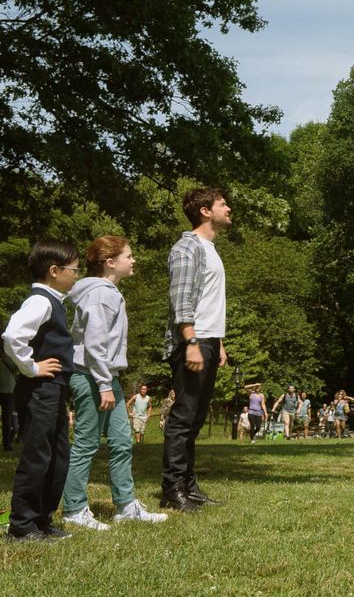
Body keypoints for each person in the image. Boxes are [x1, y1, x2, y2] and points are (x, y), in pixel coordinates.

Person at [61, 236, 168, 530]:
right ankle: (74, 509)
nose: (133, 261)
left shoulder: (107, 292)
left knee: (122, 442)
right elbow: (95, 344)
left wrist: (110, 382)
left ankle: (125, 505)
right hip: (92, 376)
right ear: (110, 263)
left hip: (108, 378)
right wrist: (104, 384)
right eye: (129, 256)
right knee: (86, 443)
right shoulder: (100, 295)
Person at [3, 240, 81, 541]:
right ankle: (22, 525)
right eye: (74, 270)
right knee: (38, 456)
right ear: (54, 270)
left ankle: (42, 520)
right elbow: (12, 335)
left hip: (54, 390)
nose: (76, 275)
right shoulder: (41, 301)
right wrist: (32, 368)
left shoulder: (53, 302)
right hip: (39, 390)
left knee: (58, 455)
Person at [161, 187, 232, 512]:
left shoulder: (210, 248)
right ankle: (172, 489)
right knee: (183, 417)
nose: (228, 208)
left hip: (207, 340)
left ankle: (189, 485)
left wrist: (218, 343)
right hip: (192, 341)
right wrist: (190, 342)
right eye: (221, 204)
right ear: (205, 211)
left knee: (196, 418)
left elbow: (209, 302)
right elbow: (181, 299)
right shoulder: (187, 248)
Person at [1, 348, 16, 451]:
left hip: (9, 390)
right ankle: (7, 445)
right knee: (7, 419)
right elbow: (16, 367)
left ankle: (7, 444)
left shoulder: (9, 356)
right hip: (9, 390)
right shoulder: (10, 356)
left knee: (8, 420)